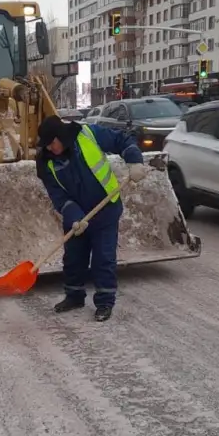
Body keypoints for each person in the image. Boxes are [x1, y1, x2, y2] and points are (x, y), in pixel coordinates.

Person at [35, 115, 144, 322]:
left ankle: (104, 302)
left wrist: (134, 160)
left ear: (60, 136)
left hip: (106, 208)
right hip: (77, 215)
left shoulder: (88, 134)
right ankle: (74, 296)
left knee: (103, 258)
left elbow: (122, 139)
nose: (49, 148)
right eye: (46, 145)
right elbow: (57, 195)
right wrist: (74, 216)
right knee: (74, 257)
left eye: (51, 143)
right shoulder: (46, 162)